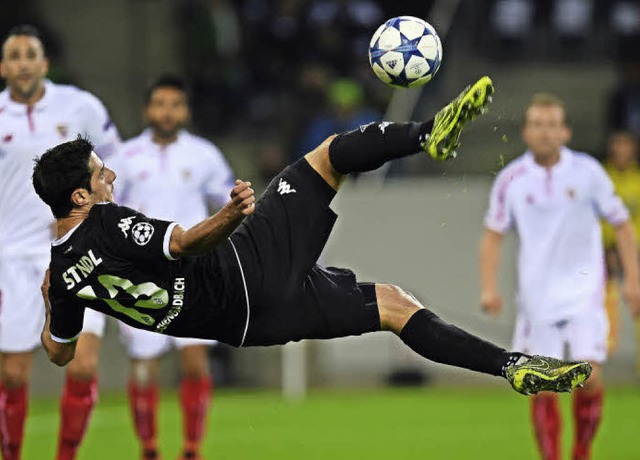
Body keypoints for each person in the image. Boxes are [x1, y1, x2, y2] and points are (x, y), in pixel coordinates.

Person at [35, 78, 592, 431]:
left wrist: (48, 301)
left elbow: (59, 353)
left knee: (392, 306)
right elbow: (181, 243)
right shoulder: (104, 221)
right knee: (327, 157)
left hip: (249, 323)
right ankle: (426, 133)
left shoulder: (61, 275)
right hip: (245, 269)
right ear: (80, 197)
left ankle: (513, 366)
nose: (109, 174)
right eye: (98, 173)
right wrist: (230, 217)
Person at [479, 94, 640, 460]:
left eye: (552, 125)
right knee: (543, 384)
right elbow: (493, 235)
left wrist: (633, 280)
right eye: (538, 124)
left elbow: (622, 224)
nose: (545, 132)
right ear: (526, 131)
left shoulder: (588, 172)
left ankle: (581, 450)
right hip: (537, 299)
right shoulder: (511, 179)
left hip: (586, 294)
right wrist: (489, 287)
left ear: (565, 131)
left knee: (590, 376)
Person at [0, 25, 120, 460]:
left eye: (29, 54)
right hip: (11, 256)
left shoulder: (80, 106)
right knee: (12, 375)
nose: (22, 63)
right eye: (13, 55)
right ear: (3, 66)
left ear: (44, 63)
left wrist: (107, 222)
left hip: (79, 248)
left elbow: (113, 163)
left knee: (84, 364)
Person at [108, 75, 235, 460]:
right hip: (139, 273)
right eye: (160, 103)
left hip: (194, 271)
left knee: (195, 363)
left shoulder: (204, 155)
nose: (167, 111)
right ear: (148, 109)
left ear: (186, 110)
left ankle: (192, 450)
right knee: (144, 366)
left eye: (175, 104)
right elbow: (106, 211)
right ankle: (149, 450)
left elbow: (227, 203)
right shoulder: (124, 157)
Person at [600, 131, 640, 369]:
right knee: (605, 305)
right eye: (618, 145)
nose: (622, 151)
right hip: (607, 253)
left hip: (636, 251)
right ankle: (599, 360)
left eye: (626, 146)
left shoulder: (638, 179)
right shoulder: (602, 177)